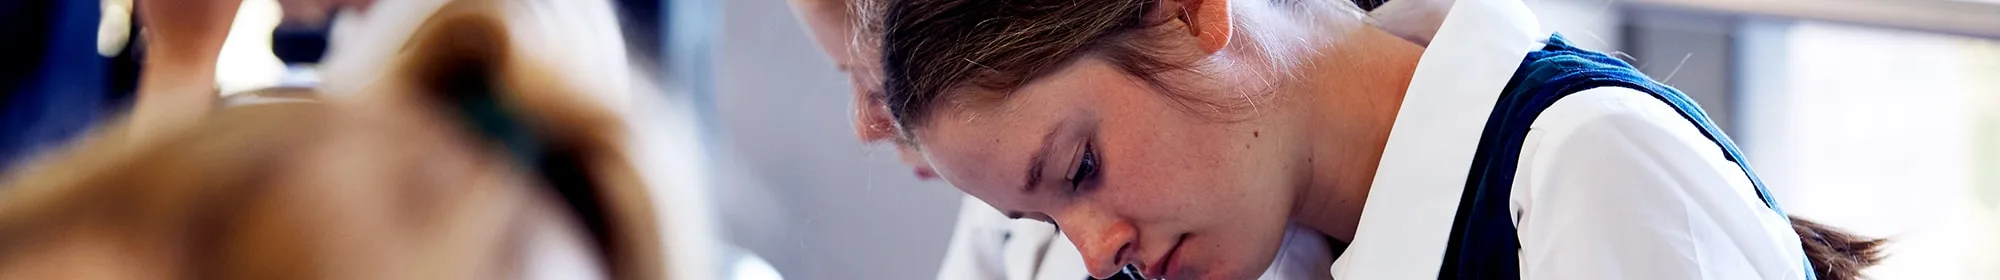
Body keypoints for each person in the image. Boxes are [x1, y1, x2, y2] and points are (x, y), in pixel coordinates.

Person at [868, 0, 1883, 280]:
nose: (1095, 255)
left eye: (1079, 169)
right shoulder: (1285, 237)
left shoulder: (1584, 168)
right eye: (1039, 217)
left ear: (1185, 12)